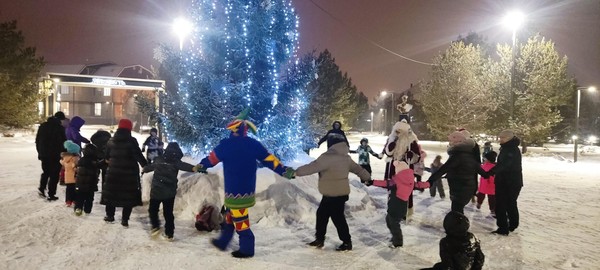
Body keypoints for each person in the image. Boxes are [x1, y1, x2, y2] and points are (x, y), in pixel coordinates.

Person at [195, 109, 295, 258]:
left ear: (233, 130)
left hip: (234, 191)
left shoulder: (226, 145)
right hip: (245, 190)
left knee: (240, 221)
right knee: (230, 216)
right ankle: (223, 241)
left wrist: (201, 165)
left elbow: (211, 159)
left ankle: (247, 249)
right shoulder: (253, 144)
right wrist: (284, 170)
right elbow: (270, 160)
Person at [296, 133, 371, 251]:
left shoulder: (327, 157)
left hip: (332, 194)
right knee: (322, 215)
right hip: (340, 193)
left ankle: (346, 242)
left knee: (337, 218)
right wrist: (367, 177)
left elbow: (311, 167)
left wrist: (296, 172)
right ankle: (320, 239)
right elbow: (358, 169)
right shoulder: (346, 157)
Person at [142, 142, 198, 241]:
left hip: (157, 191)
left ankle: (155, 227)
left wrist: (145, 169)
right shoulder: (176, 162)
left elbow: (149, 167)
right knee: (168, 213)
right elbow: (187, 166)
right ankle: (169, 233)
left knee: (153, 210)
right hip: (169, 192)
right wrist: (195, 168)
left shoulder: (159, 159)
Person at [100, 119, 147, 227]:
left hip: (113, 173)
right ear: (129, 128)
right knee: (128, 197)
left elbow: (106, 157)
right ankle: (125, 219)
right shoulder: (132, 141)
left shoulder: (111, 141)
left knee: (111, 195)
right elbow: (138, 156)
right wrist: (146, 165)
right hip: (129, 174)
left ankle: (110, 216)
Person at [427, 131, 488, 214]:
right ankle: (459, 224)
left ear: (457, 143)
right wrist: (488, 174)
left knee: (456, 212)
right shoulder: (470, 155)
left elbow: (444, 169)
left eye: (451, 142)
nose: (450, 144)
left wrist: (430, 180)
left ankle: (458, 226)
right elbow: (480, 171)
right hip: (468, 188)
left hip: (459, 189)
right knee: (458, 210)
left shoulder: (457, 156)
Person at [372, 160, 429, 248]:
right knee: (390, 221)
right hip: (402, 206)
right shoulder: (410, 181)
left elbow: (385, 183)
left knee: (393, 224)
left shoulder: (396, 181)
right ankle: (395, 237)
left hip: (395, 206)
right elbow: (419, 184)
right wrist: (429, 184)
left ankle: (398, 242)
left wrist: (372, 182)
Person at [486, 130, 523, 235]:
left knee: (501, 205)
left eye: (503, 138)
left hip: (508, 182)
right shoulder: (508, 148)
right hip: (511, 181)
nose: (500, 139)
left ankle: (503, 228)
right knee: (510, 203)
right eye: (500, 137)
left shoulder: (510, 149)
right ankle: (512, 224)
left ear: (510, 138)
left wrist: (490, 172)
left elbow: (504, 165)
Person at [382, 120, 421, 218]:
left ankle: (404, 211)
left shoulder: (411, 141)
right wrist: (392, 143)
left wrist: (411, 155)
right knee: (393, 189)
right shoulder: (391, 139)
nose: (397, 133)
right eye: (396, 131)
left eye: (400, 131)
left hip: (406, 170)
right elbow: (388, 152)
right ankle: (392, 210)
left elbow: (417, 156)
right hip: (393, 169)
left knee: (405, 191)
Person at [36, 111, 68, 200]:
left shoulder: (43, 126)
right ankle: (51, 194)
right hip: (56, 155)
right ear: (60, 119)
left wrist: (40, 152)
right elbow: (64, 142)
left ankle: (42, 188)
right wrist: (64, 153)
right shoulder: (60, 128)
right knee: (54, 175)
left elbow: (38, 140)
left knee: (46, 172)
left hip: (44, 154)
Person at [74, 144, 101, 216]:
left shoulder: (81, 160)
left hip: (80, 183)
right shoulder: (94, 162)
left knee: (79, 197)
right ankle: (87, 210)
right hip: (91, 184)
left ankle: (78, 209)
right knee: (89, 198)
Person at [476, 151, 497, 217]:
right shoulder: (496, 166)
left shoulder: (483, 166)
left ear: (488, 159)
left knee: (481, 195)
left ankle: (479, 203)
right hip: (492, 185)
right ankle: (492, 209)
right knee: (492, 198)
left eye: (485, 158)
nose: (484, 159)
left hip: (484, 184)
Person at [60, 140, 81, 207]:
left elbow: (63, 163)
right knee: (75, 189)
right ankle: (75, 200)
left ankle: (68, 201)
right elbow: (75, 167)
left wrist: (61, 161)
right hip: (75, 177)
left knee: (69, 190)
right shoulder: (75, 158)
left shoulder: (65, 158)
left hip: (68, 178)